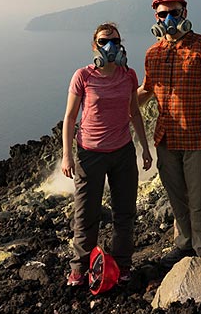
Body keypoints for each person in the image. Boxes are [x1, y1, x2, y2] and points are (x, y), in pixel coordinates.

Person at [137, 0, 201, 268]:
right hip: (166, 140)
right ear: (156, 17)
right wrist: (110, 101)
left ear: (184, 10)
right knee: (177, 200)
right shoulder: (153, 53)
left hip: (200, 138)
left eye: (174, 12)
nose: (169, 19)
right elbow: (146, 91)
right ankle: (185, 245)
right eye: (163, 14)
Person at [61, 23, 152, 287]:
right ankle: (79, 270)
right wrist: (67, 156)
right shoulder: (82, 76)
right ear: (95, 46)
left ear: (121, 43)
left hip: (123, 152)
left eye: (114, 40)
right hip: (90, 154)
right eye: (103, 41)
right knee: (86, 214)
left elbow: (135, 112)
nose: (109, 46)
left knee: (124, 213)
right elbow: (69, 118)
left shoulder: (129, 75)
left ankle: (122, 266)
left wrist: (144, 148)